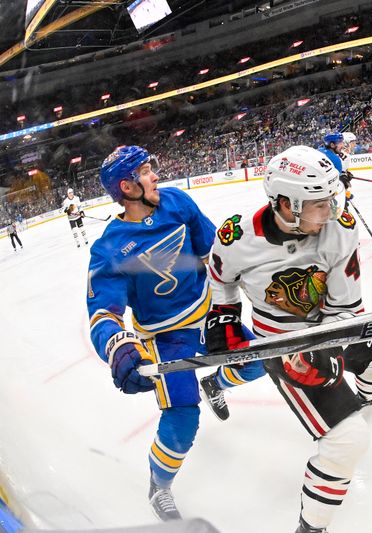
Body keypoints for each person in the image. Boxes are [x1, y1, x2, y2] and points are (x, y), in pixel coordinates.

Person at [199, 145, 372, 533]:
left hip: (328, 329)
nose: (331, 210)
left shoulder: (339, 228)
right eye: (318, 204)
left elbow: (346, 305)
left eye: (331, 198)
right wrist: (223, 316)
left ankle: (364, 398)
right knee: (347, 443)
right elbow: (222, 281)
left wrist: (331, 343)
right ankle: (311, 527)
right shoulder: (235, 236)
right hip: (283, 344)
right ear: (286, 205)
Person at [86, 145, 217, 521]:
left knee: (258, 362)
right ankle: (159, 485)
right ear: (127, 187)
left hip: (210, 316)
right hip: (166, 338)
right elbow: (102, 312)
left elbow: (215, 250)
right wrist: (117, 345)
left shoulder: (178, 203)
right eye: (146, 171)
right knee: (183, 418)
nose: (156, 175)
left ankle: (217, 385)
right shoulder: (109, 247)